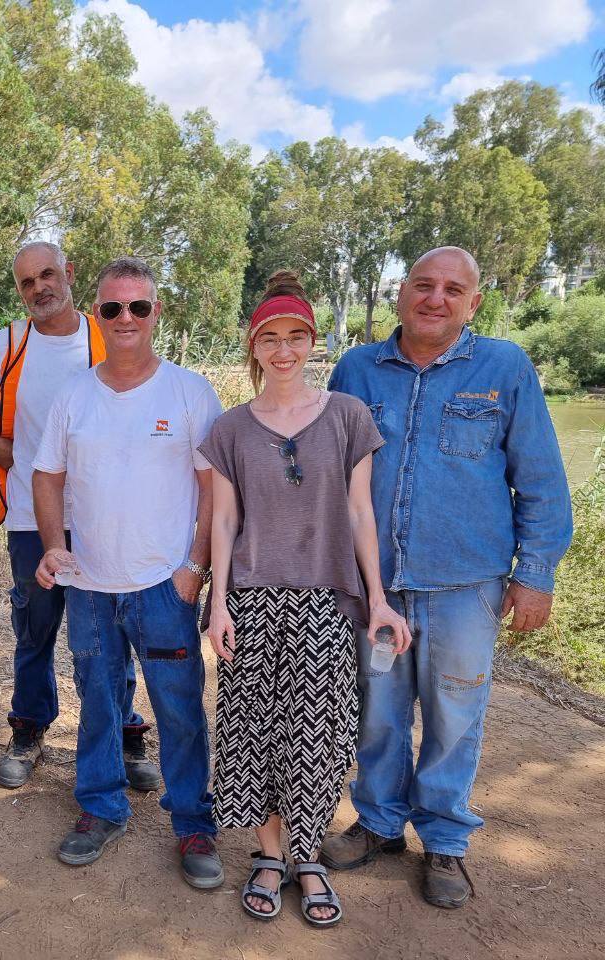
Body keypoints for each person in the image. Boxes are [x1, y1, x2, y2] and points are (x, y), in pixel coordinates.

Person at [322, 246, 573, 909]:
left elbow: (541, 480)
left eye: (452, 289)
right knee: (376, 713)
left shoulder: (504, 368)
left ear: (474, 303)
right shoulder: (357, 369)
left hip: (467, 587)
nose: (436, 298)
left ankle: (444, 840)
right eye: (424, 284)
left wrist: (536, 576)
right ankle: (378, 824)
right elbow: (331, 478)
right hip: (377, 587)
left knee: (455, 716)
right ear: (402, 292)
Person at [200, 270, 411, 926]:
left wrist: (377, 598)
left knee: (317, 738)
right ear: (253, 346)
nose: (284, 350)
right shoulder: (230, 428)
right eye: (271, 338)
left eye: (297, 337)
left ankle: (308, 857)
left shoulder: (347, 417)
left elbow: (359, 513)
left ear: (313, 343)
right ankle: (269, 856)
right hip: (254, 599)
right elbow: (224, 521)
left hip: (326, 601)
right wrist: (217, 603)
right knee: (251, 736)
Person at [31, 256, 224, 887]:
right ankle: (100, 807)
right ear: (98, 314)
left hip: (165, 585)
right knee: (98, 702)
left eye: (138, 306)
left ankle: (194, 821)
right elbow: (46, 475)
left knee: (178, 708)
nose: (125, 318)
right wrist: (54, 546)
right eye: (112, 307)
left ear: (155, 312)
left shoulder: (190, 392)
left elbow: (213, 487)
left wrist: (196, 567)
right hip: (88, 585)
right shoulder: (74, 395)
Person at [0, 241, 161, 793]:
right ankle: (29, 729)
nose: (39, 287)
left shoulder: (106, 333)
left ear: (70, 272)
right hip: (27, 517)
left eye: (47, 275)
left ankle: (125, 730)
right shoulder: (9, 346)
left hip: (101, 519)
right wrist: (3, 451)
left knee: (113, 632)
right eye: (26, 282)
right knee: (35, 632)